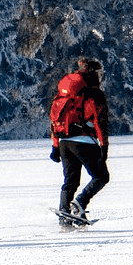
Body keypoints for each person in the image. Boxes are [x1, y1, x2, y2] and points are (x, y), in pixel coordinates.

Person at [49, 56, 111, 224]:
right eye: (100, 72)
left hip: (64, 143)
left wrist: (55, 147)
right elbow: (100, 122)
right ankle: (80, 203)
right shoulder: (93, 94)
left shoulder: (65, 94)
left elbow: (55, 121)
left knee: (70, 181)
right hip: (84, 142)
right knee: (101, 177)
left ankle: (65, 213)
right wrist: (104, 148)